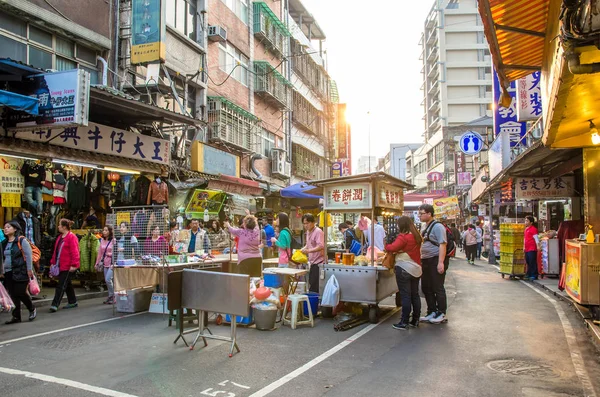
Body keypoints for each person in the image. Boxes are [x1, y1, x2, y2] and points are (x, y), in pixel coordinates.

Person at [385, 216, 422, 330]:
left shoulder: (403, 237)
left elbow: (391, 247)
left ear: (401, 225)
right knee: (415, 295)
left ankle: (404, 322)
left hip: (404, 267)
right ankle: (415, 320)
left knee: (405, 295)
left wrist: (386, 245)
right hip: (416, 269)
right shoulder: (417, 236)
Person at [418, 204, 448, 324]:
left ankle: (441, 313)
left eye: (422, 213)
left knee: (438, 287)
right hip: (425, 260)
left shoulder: (438, 227)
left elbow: (443, 244)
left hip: (435, 259)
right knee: (426, 287)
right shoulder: (424, 226)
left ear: (429, 214)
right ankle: (432, 311)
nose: (419, 216)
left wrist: (440, 262)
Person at [1, 221, 36, 324]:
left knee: (20, 292)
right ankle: (16, 316)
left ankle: (31, 308)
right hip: (8, 272)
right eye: (5, 227)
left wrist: (29, 270)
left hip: (21, 271)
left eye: (8, 227)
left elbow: (28, 256)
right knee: (13, 294)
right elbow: (2, 258)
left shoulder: (21, 241)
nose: (6, 229)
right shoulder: (3, 243)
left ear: (15, 229)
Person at [49, 219, 80, 312]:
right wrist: (53, 263)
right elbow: (56, 251)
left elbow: (75, 252)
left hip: (67, 265)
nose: (58, 227)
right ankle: (72, 301)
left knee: (61, 285)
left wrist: (74, 264)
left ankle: (55, 304)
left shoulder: (72, 237)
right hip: (60, 265)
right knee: (67, 284)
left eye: (59, 225)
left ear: (64, 227)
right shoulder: (60, 237)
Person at [301, 214, 325, 293]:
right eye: (304, 223)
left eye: (307, 223)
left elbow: (321, 246)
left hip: (319, 262)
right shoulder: (308, 232)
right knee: (312, 283)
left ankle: (315, 303)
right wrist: (303, 249)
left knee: (314, 286)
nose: (305, 225)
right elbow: (308, 244)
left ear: (313, 222)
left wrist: (308, 251)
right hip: (312, 262)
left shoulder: (318, 231)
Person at [95, 225, 116, 304]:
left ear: (110, 232)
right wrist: (97, 263)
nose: (104, 232)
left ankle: (113, 296)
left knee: (108, 279)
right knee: (107, 281)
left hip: (112, 263)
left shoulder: (114, 240)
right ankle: (110, 296)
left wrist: (110, 255)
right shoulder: (102, 240)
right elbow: (100, 253)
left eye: (106, 230)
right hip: (105, 263)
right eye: (103, 230)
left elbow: (116, 252)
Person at [524, 216, 540, 280]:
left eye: (527, 221)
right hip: (527, 248)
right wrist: (524, 247)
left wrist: (538, 246)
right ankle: (529, 273)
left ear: (531, 222)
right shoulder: (526, 229)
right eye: (525, 220)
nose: (525, 222)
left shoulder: (533, 229)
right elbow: (525, 239)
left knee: (532, 261)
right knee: (528, 261)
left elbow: (536, 238)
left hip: (532, 248)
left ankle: (534, 274)